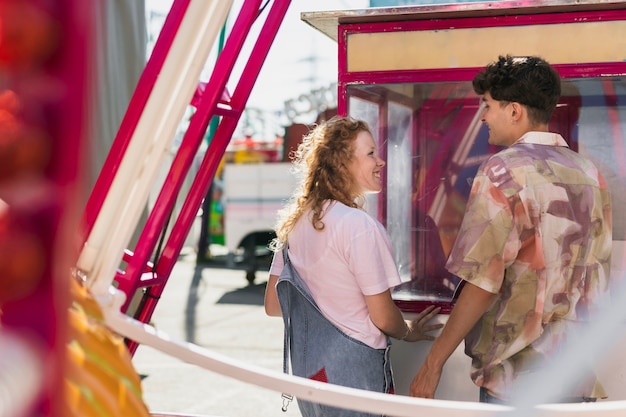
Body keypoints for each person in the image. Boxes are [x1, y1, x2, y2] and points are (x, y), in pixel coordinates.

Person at [409, 55, 613, 405]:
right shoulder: (590, 173)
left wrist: (432, 363)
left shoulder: (502, 171)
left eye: (487, 105)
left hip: (516, 381)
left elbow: (483, 283)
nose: (483, 116)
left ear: (514, 110)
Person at [264, 116, 443, 417]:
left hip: (309, 369)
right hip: (353, 372)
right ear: (343, 163)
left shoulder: (296, 224)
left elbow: (273, 303)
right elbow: (384, 317)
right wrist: (409, 332)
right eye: (371, 153)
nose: (381, 161)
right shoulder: (358, 226)